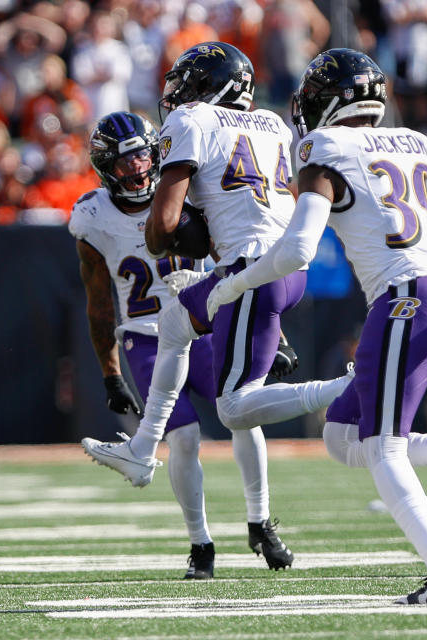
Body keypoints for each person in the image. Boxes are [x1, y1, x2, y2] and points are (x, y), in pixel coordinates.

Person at [205, 48, 427, 604]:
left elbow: (296, 251)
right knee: (344, 438)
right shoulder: (414, 141)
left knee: (382, 447)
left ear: (332, 103)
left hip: (405, 301)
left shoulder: (324, 147)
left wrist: (229, 286)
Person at [81, 42, 353, 571]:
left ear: (211, 86)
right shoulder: (273, 124)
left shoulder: (191, 119)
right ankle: (147, 459)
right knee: (178, 321)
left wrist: (185, 234)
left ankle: (344, 386)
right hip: (277, 272)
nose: (178, 95)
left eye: (188, 83)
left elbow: (160, 234)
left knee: (234, 407)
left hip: (247, 275)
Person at [72, 111, 302, 578]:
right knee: (185, 437)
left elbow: (239, 266)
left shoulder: (188, 192)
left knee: (243, 411)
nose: (136, 170)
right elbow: (99, 303)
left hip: (205, 322)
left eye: (140, 157)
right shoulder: (92, 216)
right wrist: (110, 372)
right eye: (122, 164)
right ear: (104, 170)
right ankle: (201, 544)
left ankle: (259, 520)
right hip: (146, 339)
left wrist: (274, 332)